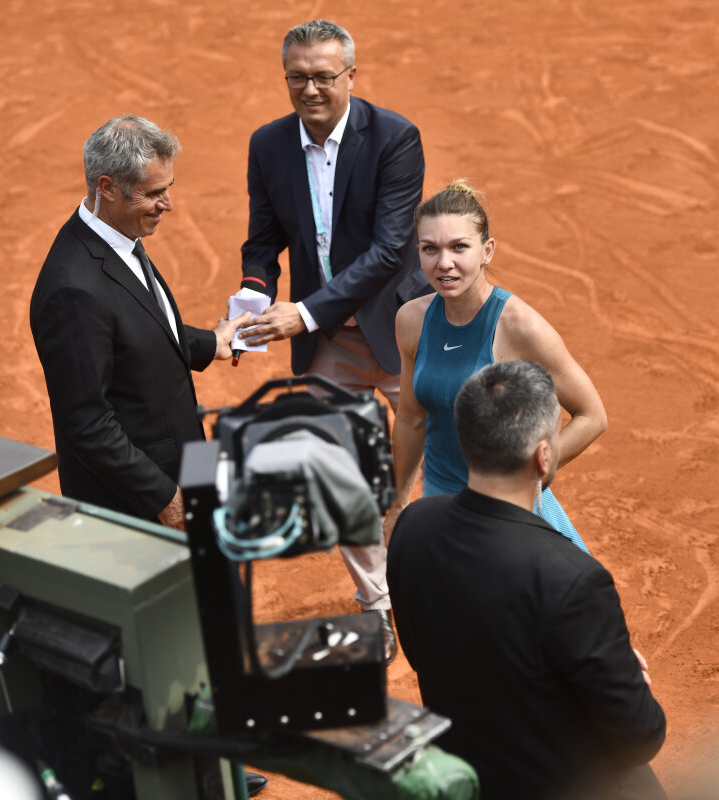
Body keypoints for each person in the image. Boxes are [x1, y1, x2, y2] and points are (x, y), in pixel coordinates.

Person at [386, 361, 666, 800]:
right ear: (543, 455)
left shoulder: (413, 526)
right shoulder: (574, 578)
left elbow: (423, 653)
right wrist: (618, 670)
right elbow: (641, 735)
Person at [236, 19, 427, 662]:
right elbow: (264, 240)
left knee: (443, 460)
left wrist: (306, 313)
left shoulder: (395, 137)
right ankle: (379, 602)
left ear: (351, 74)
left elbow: (389, 250)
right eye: (298, 77)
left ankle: (453, 581)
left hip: (400, 330)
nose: (311, 88)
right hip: (328, 344)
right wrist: (255, 294)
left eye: (324, 75)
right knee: (341, 470)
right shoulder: (268, 145)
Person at [29, 116, 249, 531]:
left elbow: (135, 330)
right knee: (187, 593)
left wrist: (209, 342)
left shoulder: (117, 237)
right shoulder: (71, 290)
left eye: (168, 189)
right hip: (142, 501)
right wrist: (165, 499)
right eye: (154, 194)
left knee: (212, 587)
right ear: (107, 188)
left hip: (185, 462)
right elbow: (87, 425)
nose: (168, 205)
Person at [384, 180, 607, 552]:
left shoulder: (520, 327)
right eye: (430, 249)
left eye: (459, 247)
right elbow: (410, 419)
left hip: (507, 523)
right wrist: (397, 507)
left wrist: (524, 482)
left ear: (487, 251)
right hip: (442, 514)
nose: (444, 263)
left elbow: (592, 415)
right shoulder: (411, 320)